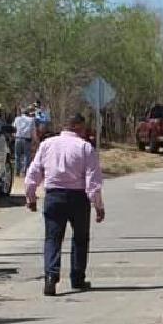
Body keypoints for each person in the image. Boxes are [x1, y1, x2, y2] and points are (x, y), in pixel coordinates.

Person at [25, 113, 105, 296]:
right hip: (78, 197)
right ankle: (77, 278)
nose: (85, 132)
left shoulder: (47, 145)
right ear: (77, 127)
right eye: (83, 128)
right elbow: (93, 181)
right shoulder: (85, 148)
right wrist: (98, 205)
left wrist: (30, 196)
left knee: (53, 238)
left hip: (54, 196)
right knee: (80, 238)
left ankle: (51, 277)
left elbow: (34, 172)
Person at [12, 106, 37, 178]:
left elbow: (14, 129)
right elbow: (33, 131)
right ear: (28, 113)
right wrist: (35, 140)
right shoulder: (31, 120)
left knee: (17, 156)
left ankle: (17, 172)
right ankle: (25, 172)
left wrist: (13, 137)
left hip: (18, 139)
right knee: (27, 156)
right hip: (26, 140)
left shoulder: (17, 119)